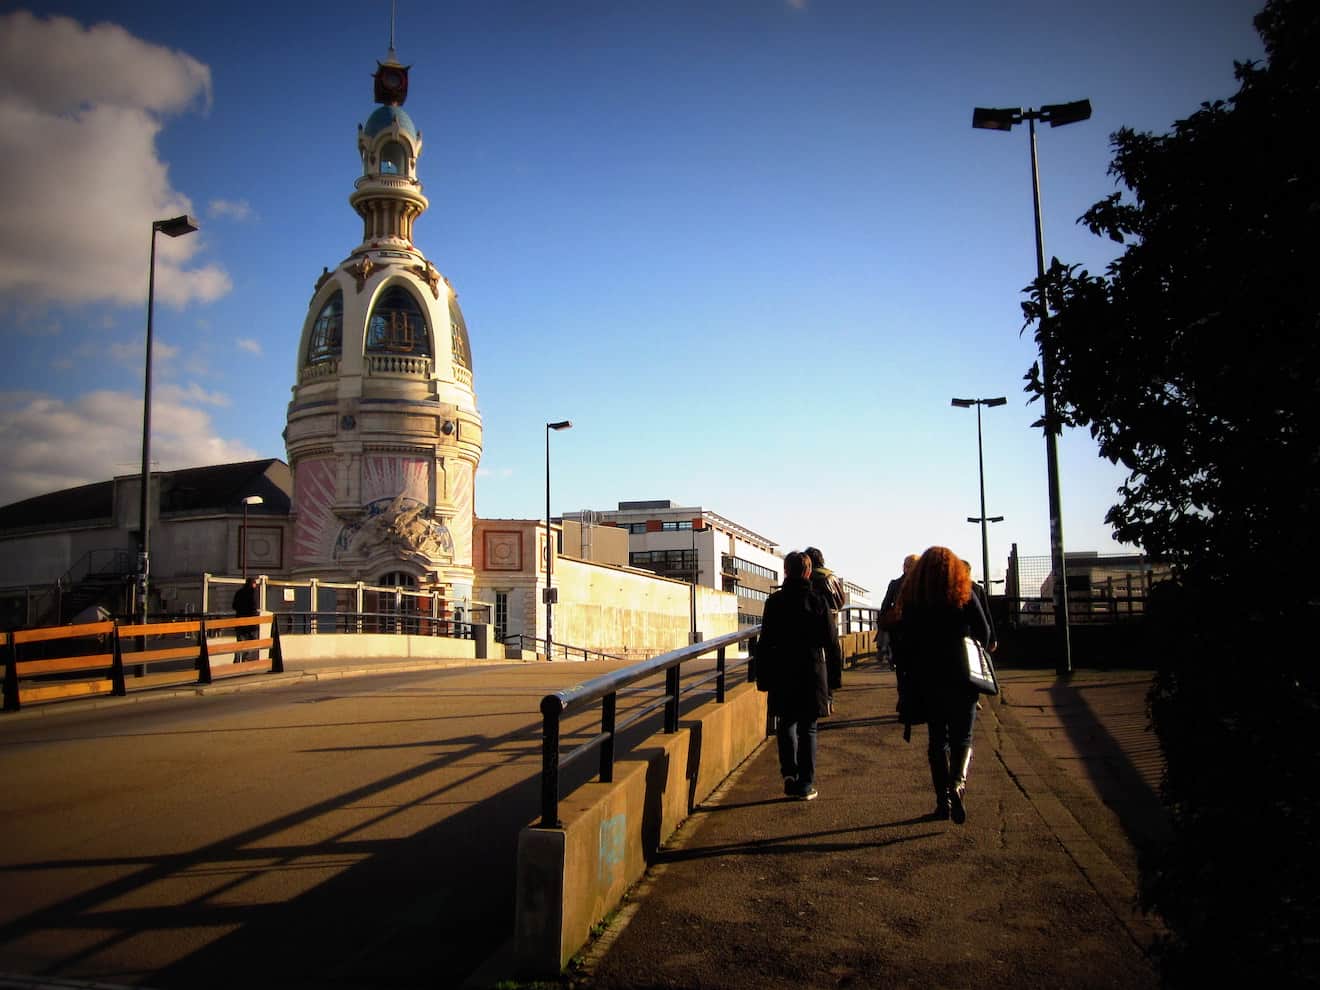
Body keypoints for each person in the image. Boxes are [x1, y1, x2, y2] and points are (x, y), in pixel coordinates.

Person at [889, 547, 993, 824]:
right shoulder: (964, 594)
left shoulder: (913, 600)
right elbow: (984, 632)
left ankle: (942, 803)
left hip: (928, 677)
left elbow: (904, 642)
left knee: (938, 741)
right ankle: (957, 784)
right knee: (963, 736)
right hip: (961, 674)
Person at [757, 550, 834, 801]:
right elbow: (830, 639)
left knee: (786, 723)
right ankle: (805, 783)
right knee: (808, 728)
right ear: (809, 572)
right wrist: (833, 680)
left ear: (786, 571)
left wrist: (763, 676)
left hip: (783, 670)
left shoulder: (775, 601)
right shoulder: (818, 600)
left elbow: (765, 641)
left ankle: (789, 775)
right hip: (811, 670)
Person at [803, 546, 845, 709]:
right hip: (831, 620)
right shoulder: (831, 576)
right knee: (831, 657)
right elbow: (841, 602)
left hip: (815, 622)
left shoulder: (813, 577)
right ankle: (829, 697)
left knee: (818, 662)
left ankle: (823, 697)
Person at [879, 553, 920, 668]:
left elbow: (885, 606)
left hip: (898, 630)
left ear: (904, 567)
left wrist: (884, 625)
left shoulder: (895, 584)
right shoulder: (924, 584)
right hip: (918, 631)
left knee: (901, 667)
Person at [231, 577, 260, 662]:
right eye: (255, 584)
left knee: (240, 642)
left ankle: (237, 660)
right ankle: (245, 657)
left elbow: (234, 606)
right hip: (251, 623)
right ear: (252, 584)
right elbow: (253, 607)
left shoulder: (239, 592)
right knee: (253, 641)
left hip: (239, 621)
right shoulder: (252, 593)